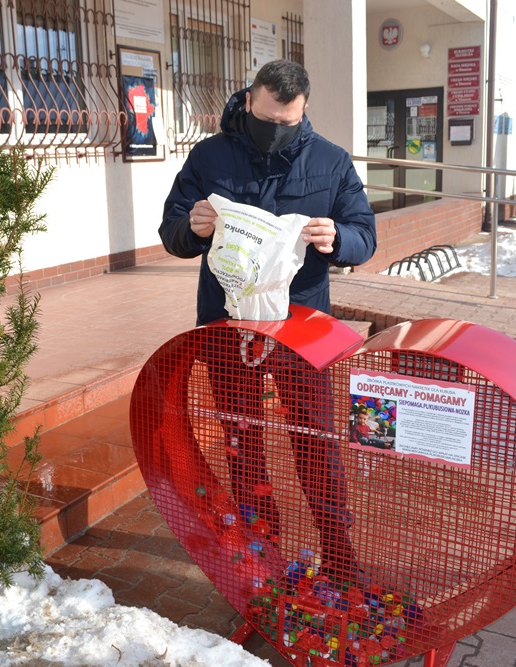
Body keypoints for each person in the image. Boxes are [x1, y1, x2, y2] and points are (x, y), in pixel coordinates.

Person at [159, 60, 377, 581]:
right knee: (241, 437)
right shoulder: (210, 157)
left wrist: (338, 239)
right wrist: (192, 227)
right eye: (267, 118)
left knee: (315, 438)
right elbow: (172, 231)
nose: (276, 130)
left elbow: (365, 235)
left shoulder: (330, 161)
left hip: (302, 328)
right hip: (227, 324)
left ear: (303, 112)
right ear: (249, 102)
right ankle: (262, 542)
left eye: (289, 122)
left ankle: (339, 554)